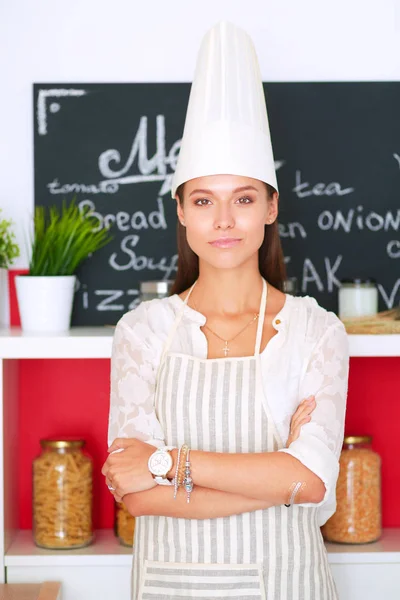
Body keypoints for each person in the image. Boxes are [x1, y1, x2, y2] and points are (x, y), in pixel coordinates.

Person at [102, 21, 349, 600]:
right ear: (182, 212)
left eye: (243, 199)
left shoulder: (316, 331)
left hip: (289, 585)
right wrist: (271, 477)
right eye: (204, 200)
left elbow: (311, 483)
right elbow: (135, 494)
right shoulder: (142, 332)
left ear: (270, 208)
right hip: (170, 585)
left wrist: (165, 463)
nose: (223, 221)